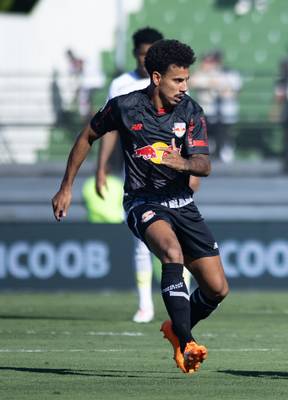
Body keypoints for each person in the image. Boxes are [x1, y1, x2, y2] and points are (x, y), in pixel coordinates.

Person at [52, 39, 229, 374]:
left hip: (183, 204)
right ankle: (187, 342)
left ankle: (174, 328)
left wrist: (182, 163)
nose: (184, 87)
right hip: (143, 203)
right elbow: (87, 135)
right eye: (179, 80)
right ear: (157, 77)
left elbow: (204, 164)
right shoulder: (125, 106)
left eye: (187, 80)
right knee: (172, 254)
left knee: (218, 289)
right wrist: (66, 187)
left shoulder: (191, 111)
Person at [96, 27, 197, 324]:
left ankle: (183, 305)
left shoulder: (176, 85)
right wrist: (102, 166)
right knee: (142, 244)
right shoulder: (122, 86)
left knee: (180, 245)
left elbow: (189, 128)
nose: (144, 59)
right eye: (141, 54)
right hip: (141, 180)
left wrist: (193, 171)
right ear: (134, 54)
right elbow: (107, 128)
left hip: (175, 179)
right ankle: (145, 304)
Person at [191, 50, 242, 163]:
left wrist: (213, 84)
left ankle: (225, 150)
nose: (209, 64)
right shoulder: (200, 74)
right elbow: (193, 82)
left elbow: (230, 91)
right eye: (207, 61)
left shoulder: (228, 73)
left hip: (224, 111)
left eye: (212, 61)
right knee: (207, 132)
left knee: (224, 132)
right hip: (206, 111)